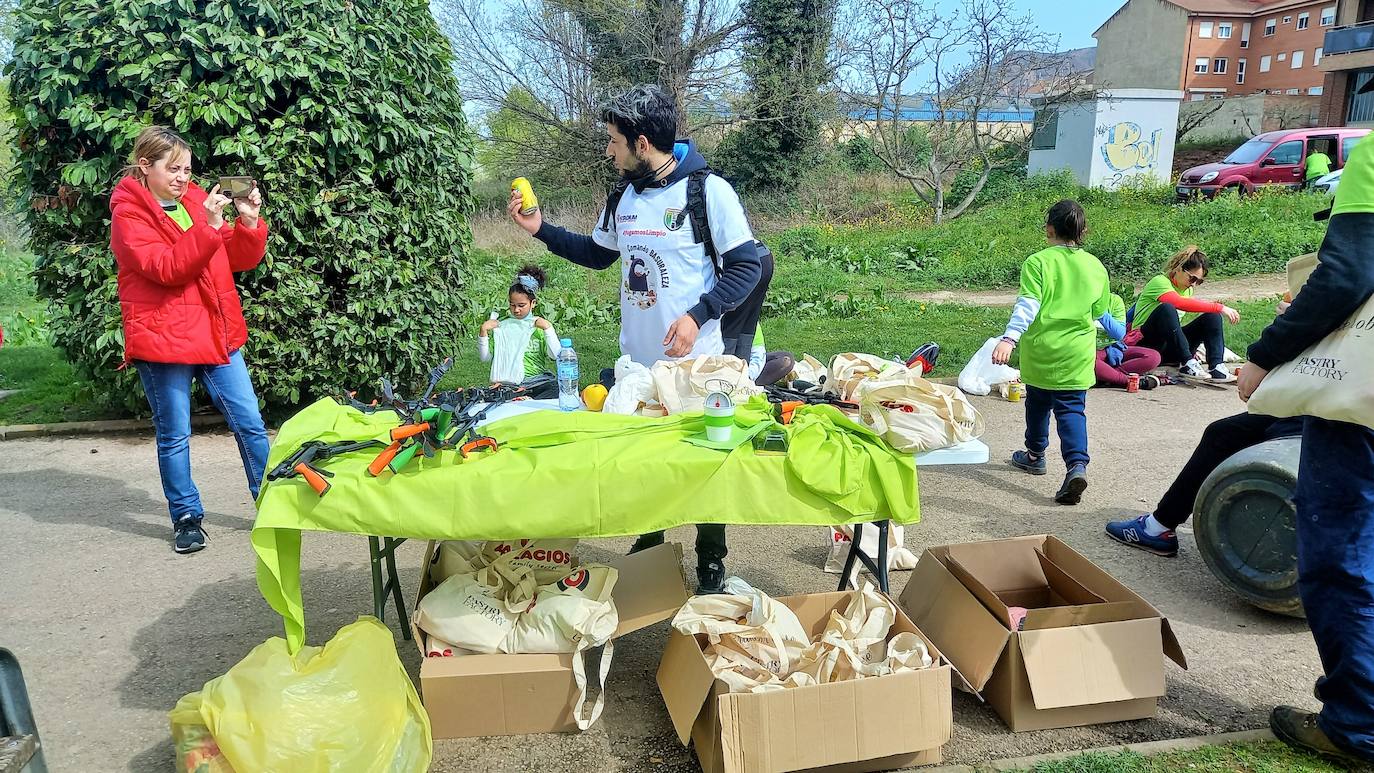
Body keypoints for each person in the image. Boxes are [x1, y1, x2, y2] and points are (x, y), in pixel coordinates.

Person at [507, 84, 762, 593]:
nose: (609, 150)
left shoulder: (708, 193)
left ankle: (711, 557)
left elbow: (747, 266)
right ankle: (652, 544)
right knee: (649, 466)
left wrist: (699, 314)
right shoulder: (621, 197)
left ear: (642, 144)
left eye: (614, 141)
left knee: (703, 466)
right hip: (641, 368)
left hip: (698, 367)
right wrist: (541, 230)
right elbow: (600, 254)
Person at [1237, 126, 1374, 765]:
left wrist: (1265, 356)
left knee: (1343, 557)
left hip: (1364, 410)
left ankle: (1356, 727)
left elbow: (1346, 272)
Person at [109, 126, 270, 554]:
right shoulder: (128, 214)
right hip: (165, 341)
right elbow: (166, 267)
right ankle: (186, 517)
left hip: (216, 333)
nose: (184, 178)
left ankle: (272, 503)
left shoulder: (197, 200)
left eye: (188, 169)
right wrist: (211, 226)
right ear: (146, 166)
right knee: (175, 434)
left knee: (250, 422)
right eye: (174, 169)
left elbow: (234, 258)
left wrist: (248, 224)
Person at [992, 199, 1111, 505]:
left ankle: (1034, 455)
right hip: (1077, 354)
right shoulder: (1095, 266)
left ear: (1049, 229)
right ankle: (1076, 466)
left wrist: (1009, 338)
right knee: (1072, 410)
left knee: (1038, 405)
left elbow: (1028, 304)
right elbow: (1099, 310)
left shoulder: (1038, 262)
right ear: (1082, 231)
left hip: (1043, 352)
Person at [1105, 413, 1302, 556]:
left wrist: (1260, 365)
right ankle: (1159, 526)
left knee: (1268, 438)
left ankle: (1157, 528)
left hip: (1316, 414)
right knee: (1224, 432)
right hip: (1315, 404)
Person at [1129, 246, 1240, 381]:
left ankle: (1216, 366)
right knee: (1167, 309)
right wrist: (1218, 307)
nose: (1193, 284)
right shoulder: (1159, 282)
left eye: (1199, 281)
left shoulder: (1187, 290)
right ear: (1179, 269)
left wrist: (1214, 310)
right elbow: (1178, 303)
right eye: (1192, 279)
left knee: (1212, 317)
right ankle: (1187, 362)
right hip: (1146, 343)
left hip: (1169, 347)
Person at [478, 264, 561, 398]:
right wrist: (483, 332)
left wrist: (548, 328)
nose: (516, 310)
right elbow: (485, 357)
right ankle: (522, 399)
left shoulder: (538, 328)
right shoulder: (502, 327)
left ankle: (523, 399)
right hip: (508, 383)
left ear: (533, 303)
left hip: (536, 381)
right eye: (512, 305)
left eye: (521, 306)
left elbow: (555, 355)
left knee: (556, 388)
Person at [1094, 292, 1161, 390]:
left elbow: (1119, 334)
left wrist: (1100, 312)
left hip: (1113, 349)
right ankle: (1128, 381)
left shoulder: (1114, 300)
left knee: (1154, 357)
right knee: (1087, 360)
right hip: (1088, 352)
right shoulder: (1075, 300)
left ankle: (1106, 376)